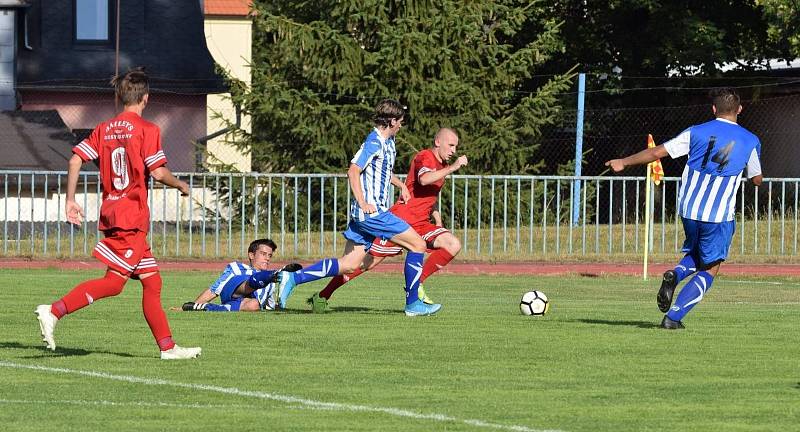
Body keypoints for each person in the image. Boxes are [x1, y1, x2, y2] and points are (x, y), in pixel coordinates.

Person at [34, 68, 202, 359]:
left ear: (120, 96)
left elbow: (75, 160)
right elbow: (158, 171)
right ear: (146, 98)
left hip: (113, 212)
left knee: (152, 281)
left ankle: (168, 347)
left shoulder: (104, 128)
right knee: (114, 283)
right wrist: (181, 185)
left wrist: (70, 200)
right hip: (131, 218)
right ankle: (55, 310)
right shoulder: (148, 130)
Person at [605, 87, 762, 329]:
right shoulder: (751, 140)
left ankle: (674, 275)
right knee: (711, 267)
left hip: (688, 210)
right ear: (739, 109)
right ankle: (673, 317)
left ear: (713, 110)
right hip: (718, 214)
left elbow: (658, 152)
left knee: (699, 255)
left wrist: (623, 162)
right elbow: (756, 179)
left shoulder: (696, 132)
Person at [273, 99, 442, 316]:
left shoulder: (388, 143)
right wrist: (362, 201)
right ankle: (413, 304)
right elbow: (353, 170)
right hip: (373, 214)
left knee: (350, 264)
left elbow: (380, 172)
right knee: (418, 245)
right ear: (391, 121)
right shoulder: (374, 142)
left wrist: (400, 184)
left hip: (366, 216)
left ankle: (293, 278)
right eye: (400, 121)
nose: (401, 125)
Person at [306, 128, 468, 313]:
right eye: (451, 145)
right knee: (364, 264)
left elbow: (432, 197)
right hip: (401, 220)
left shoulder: (441, 166)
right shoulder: (425, 156)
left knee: (452, 244)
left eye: (456, 146)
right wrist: (453, 167)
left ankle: (417, 285)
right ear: (438, 142)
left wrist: (438, 220)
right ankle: (323, 295)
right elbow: (424, 179)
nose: (454, 150)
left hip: (421, 223)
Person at [175, 238, 301, 312]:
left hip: (241, 303)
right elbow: (214, 290)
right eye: (263, 254)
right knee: (250, 280)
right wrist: (190, 305)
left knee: (254, 305)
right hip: (234, 290)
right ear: (251, 255)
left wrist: (280, 309)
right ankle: (275, 274)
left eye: (270, 255)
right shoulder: (236, 267)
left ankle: (211, 308)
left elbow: (269, 307)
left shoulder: (270, 286)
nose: (267, 258)